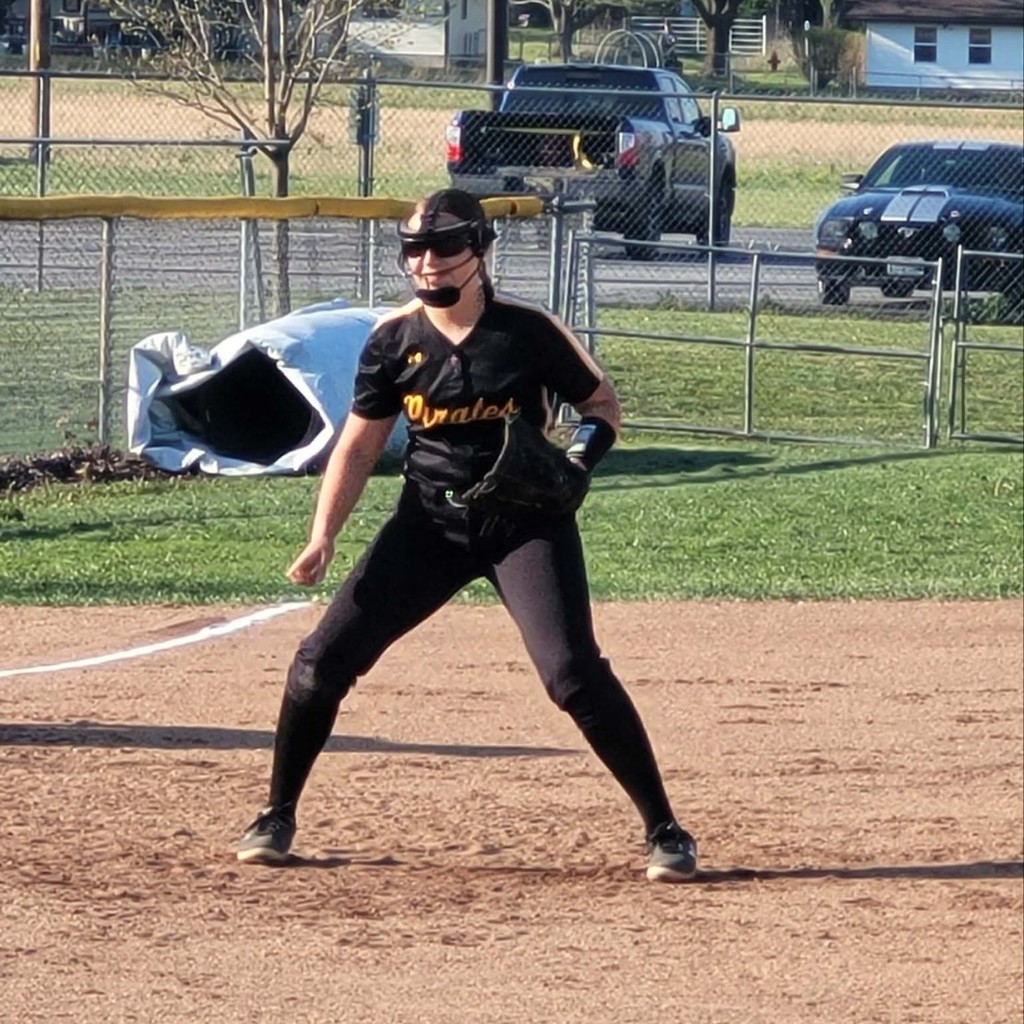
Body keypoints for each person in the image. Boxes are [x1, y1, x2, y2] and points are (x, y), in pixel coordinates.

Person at [235, 188, 699, 883]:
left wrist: (577, 461)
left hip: (525, 524)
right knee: (319, 663)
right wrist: (322, 534)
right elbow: (359, 444)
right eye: (414, 249)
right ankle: (275, 814)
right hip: (430, 524)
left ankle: (665, 829)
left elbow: (602, 405)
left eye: (446, 246)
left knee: (572, 674)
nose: (427, 262)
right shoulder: (393, 340)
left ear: (480, 250)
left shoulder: (527, 331)